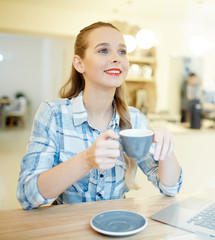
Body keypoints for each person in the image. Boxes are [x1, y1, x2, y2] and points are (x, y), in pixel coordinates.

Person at [17, 22, 183, 210]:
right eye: (103, 50)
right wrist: (87, 160)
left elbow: (170, 188)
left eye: (122, 52)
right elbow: (27, 195)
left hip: (118, 226)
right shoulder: (53, 114)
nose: (116, 58)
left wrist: (166, 152)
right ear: (79, 63)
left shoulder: (134, 119)